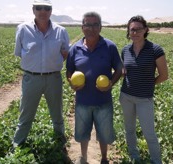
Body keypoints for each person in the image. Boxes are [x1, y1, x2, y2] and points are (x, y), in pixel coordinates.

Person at [66, 11, 123, 164]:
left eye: (95, 24)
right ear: (82, 27)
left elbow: (119, 69)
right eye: (87, 25)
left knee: (104, 133)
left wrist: (111, 83)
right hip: (82, 100)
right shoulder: (75, 49)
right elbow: (69, 71)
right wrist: (72, 83)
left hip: (103, 101)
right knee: (83, 133)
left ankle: (104, 158)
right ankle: (83, 157)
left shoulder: (109, 46)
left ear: (100, 27)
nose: (91, 28)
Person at [12, 0, 70, 149]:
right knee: (26, 115)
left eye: (46, 8)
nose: (42, 11)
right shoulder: (23, 29)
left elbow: (65, 53)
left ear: (51, 11)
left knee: (57, 113)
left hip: (54, 78)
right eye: (39, 7)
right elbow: (19, 53)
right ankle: (17, 144)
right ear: (33, 10)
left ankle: (60, 142)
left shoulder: (61, 31)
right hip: (31, 78)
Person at [119, 15, 168, 164]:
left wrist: (149, 84)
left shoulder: (155, 50)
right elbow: (124, 71)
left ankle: (156, 161)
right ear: (128, 31)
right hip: (126, 96)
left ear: (145, 30)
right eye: (132, 29)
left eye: (138, 29)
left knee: (149, 133)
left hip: (144, 99)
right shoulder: (125, 50)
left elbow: (164, 75)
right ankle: (134, 156)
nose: (135, 32)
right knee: (129, 129)